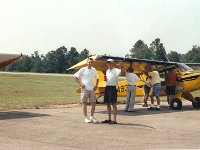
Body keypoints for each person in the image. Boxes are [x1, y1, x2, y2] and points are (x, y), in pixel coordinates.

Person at [74, 58, 99, 123]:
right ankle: (86, 117)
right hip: (85, 88)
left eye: (91, 62)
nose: (90, 63)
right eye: (89, 62)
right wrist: (81, 84)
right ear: (87, 63)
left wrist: (96, 85)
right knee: (84, 103)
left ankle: (91, 116)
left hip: (92, 89)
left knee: (93, 103)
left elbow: (97, 78)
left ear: (93, 63)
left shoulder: (94, 70)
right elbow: (76, 77)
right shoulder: (83, 69)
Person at [102, 59, 122, 124]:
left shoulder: (116, 70)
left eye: (110, 63)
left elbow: (122, 70)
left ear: (113, 63)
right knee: (107, 103)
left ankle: (114, 120)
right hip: (107, 87)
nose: (109, 64)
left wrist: (120, 65)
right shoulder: (107, 71)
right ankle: (109, 118)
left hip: (113, 88)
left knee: (113, 103)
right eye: (108, 63)